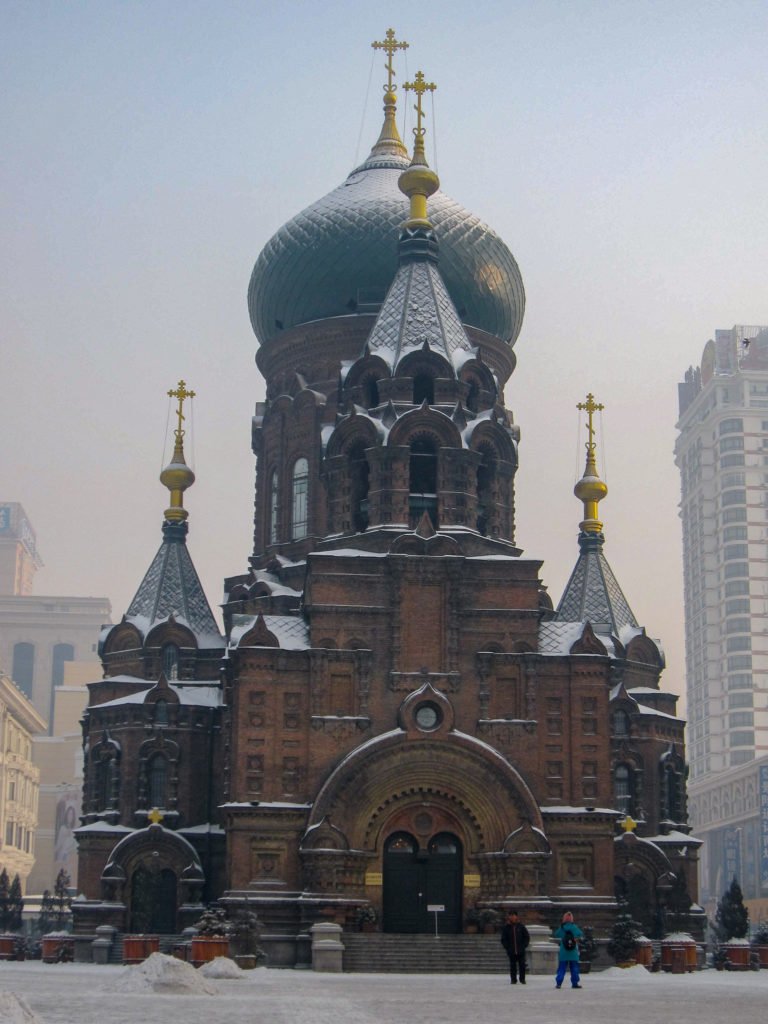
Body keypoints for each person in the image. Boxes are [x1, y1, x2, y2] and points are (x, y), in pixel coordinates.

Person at [554, 910, 583, 989]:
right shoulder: (574, 927)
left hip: (564, 951)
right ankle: (575, 983)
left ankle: (559, 983)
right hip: (573, 951)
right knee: (574, 968)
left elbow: (556, 934)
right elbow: (580, 934)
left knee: (562, 968)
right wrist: (576, 938)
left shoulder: (562, 927)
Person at [500, 909, 530, 984]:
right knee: (513, 966)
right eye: (510, 915)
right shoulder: (506, 927)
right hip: (511, 950)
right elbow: (504, 939)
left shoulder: (521, 926)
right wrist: (507, 947)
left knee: (522, 966)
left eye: (513, 915)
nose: (512, 917)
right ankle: (513, 979)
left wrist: (524, 945)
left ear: (516, 916)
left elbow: (526, 937)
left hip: (520, 950)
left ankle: (522, 979)